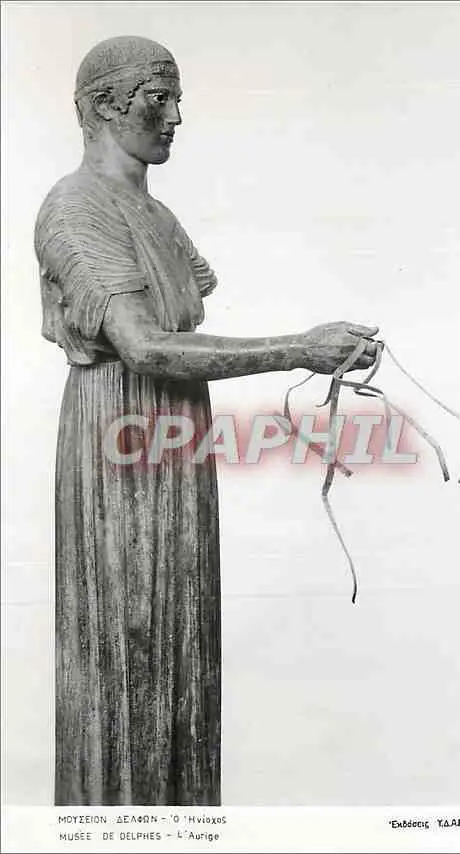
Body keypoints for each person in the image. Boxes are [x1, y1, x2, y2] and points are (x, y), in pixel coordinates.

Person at [34, 36, 378, 806]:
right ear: (102, 106)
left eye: (176, 98)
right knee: (128, 642)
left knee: (183, 643)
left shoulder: (157, 216)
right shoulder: (75, 207)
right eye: (158, 98)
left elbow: (183, 314)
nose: (175, 117)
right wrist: (299, 349)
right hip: (117, 433)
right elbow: (145, 346)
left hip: (175, 433)